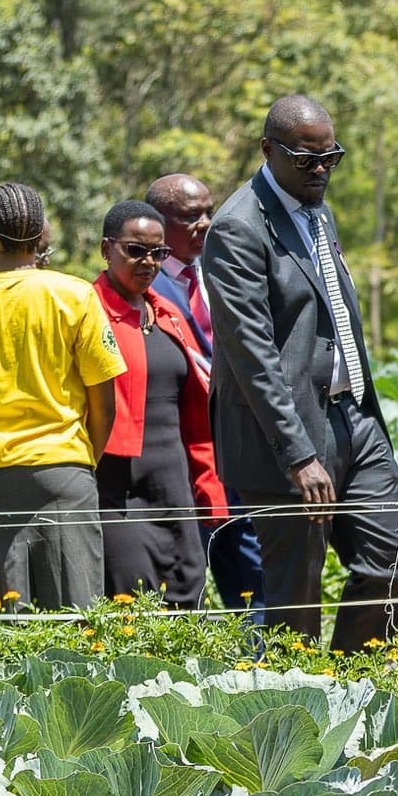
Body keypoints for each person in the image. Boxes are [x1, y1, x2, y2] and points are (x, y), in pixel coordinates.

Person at [202, 95, 398, 649]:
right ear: (268, 150)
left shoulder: (317, 210)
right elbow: (252, 355)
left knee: (391, 563)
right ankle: (302, 719)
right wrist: (299, 454)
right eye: (305, 159)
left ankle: (351, 686)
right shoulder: (237, 229)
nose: (320, 170)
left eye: (330, 158)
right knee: (297, 597)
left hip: (354, 418)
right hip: (287, 440)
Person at [0, 183, 124, 608]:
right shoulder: (75, 294)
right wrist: (84, 457)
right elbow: (104, 398)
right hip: (65, 469)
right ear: (39, 239)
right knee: (76, 616)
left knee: (2, 621)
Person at [93, 199, 226, 606]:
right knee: (132, 609)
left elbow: (196, 419)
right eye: (135, 250)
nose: (147, 262)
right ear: (106, 249)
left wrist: (210, 492)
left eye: (158, 253)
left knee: (188, 605)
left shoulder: (169, 314)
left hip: (174, 491)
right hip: (117, 494)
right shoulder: (85, 311)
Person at [148, 171, 264, 621]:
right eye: (189, 216)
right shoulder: (142, 284)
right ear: (159, 222)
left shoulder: (226, 267)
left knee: (253, 575)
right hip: (179, 448)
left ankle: (263, 666)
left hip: (239, 440)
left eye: (208, 213)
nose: (204, 224)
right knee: (184, 571)